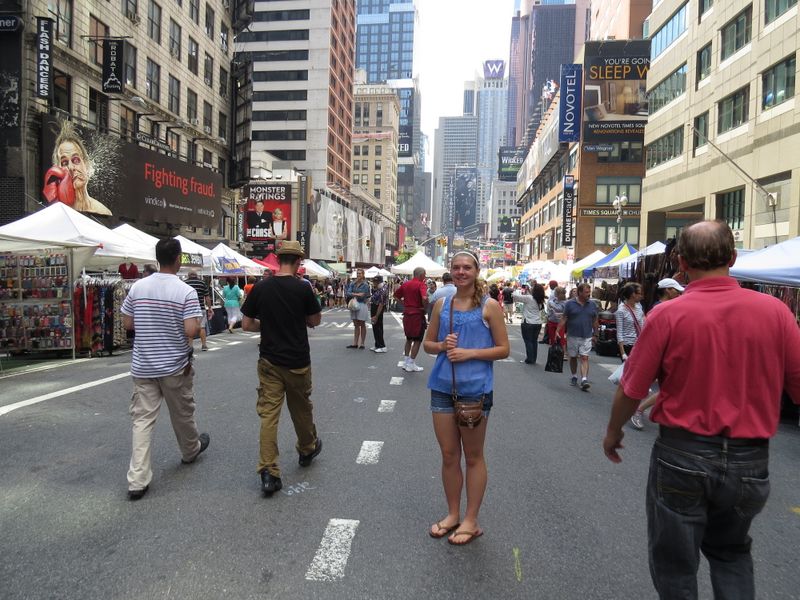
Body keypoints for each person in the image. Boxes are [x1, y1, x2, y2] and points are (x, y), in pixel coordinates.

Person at [603, 220, 800, 599]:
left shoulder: (668, 315)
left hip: (683, 454)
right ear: (733, 257)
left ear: (680, 262)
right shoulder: (776, 313)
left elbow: (632, 388)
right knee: (731, 553)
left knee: (675, 564)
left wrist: (614, 432)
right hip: (750, 458)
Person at [423, 250, 509, 545]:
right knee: (449, 455)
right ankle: (452, 514)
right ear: (451, 270)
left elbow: (503, 349)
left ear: (476, 270)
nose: (461, 272)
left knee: (473, 457)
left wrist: (470, 352)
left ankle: (471, 520)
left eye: (467, 267)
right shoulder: (441, 305)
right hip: (442, 388)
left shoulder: (490, 306)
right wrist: (441, 345)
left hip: (475, 391)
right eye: (456, 267)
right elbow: (427, 345)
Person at [120, 237, 210, 501]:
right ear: (179, 259)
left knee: (142, 421)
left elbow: (127, 323)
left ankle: (137, 480)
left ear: (158, 258)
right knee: (182, 413)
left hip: (144, 365)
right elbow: (190, 331)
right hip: (174, 365)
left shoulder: (138, 287)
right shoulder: (185, 292)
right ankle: (190, 450)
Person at [241, 241, 323, 496]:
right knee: (301, 409)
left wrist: (267, 327)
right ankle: (307, 448)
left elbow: (246, 324)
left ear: (277, 260)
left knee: (269, 415)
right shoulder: (304, 288)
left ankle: (269, 471)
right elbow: (314, 321)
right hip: (298, 361)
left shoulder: (261, 287)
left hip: (269, 362)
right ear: (298, 262)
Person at [629, 279, 683, 430]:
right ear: (667, 291)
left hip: (663, 352)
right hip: (660, 353)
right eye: (675, 290)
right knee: (668, 388)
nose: (678, 293)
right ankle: (638, 410)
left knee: (669, 388)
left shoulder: (663, 307)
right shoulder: (660, 308)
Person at [43, 121, 112, 216]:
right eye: (64, 163)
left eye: (76, 160)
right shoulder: (57, 212)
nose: (71, 167)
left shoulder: (103, 211)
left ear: (87, 164)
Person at [556, 282, 598, 391]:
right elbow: (564, 318)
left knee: (584, 357)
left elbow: (595, 320)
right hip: (572, 335)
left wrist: (596, 334)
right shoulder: (570, 304)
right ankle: (574, 375)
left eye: (589, 292)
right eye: (586, 292)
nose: (588, 294)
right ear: (579, 292)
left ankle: (584, 379)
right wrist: (558, 330)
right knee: (573, 357)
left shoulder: (592, 305)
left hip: (587, 336)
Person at [394, 266, 428, 372]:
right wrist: (425, 308)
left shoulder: (406, 284)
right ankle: (411, 363)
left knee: (408, 339)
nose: (425, 276)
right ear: (421, 275)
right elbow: (424, 298)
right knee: (417, 340)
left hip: (407, 314)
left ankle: (406, 361)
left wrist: (405, 304)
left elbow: (395, 296)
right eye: (424, 274)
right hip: (417, 314)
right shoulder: (421, 284)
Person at [513, 283, 545, 364]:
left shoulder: (529, 298)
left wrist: (516, 289)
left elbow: (515, 297)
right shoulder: (541, 299)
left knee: (528, 341)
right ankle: (533, 358)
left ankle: (530, 359)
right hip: (537, 322)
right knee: (534, 341)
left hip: (528, 322)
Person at [615, 282, 645, 363]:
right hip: (627, 346)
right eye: (639, 293)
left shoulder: (639, 307)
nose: (641, 296)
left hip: (638, 345)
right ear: (633, 294)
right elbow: (619, 333)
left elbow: (643, 326)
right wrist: (623, 353)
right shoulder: (621, 311)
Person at [185, 270, 213, 351]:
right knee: (202, 327)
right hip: (201, 308)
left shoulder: (185, 283)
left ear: (188, 275)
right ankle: (204, 345)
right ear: (196, 275)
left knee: (189, 327)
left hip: (188, 309)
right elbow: (207, 297)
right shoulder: (202, 283)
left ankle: (190, 346)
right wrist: (210, 308)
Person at [346, 269, 370, 348]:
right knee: (356, 325)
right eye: (357, 273)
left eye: (360, 273)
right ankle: (355, 343)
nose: (358, 275)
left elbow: (363, 295)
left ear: (363, 274)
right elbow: (348, 293)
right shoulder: (353, 283)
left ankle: (362, 343)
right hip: (353, 304)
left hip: (362, 304)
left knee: (362, 324)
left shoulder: (365, 284)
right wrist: (357, 294)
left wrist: (353, 294)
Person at [369, 275, 388, 353]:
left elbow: (381, 304)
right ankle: (377, 344)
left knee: (378, 327)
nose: (373, 283)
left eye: (375, 281)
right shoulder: (377, 288)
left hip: (378, 309)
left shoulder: (382, 290)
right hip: (374, 307)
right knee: (375, 327)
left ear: (379, 282)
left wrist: (376, 316)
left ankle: (382, 346)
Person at [545, 287, 567, 351]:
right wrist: (548, 317)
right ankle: (553, 351)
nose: (555, 294)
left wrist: (553, 306)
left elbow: (561, 311)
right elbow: (549, 309)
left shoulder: (565, 303)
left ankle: (563, 352)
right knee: (552, 338)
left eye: (557, 293)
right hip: (551, 321)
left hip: (560, 323)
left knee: (560, 338)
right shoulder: (553, 301)